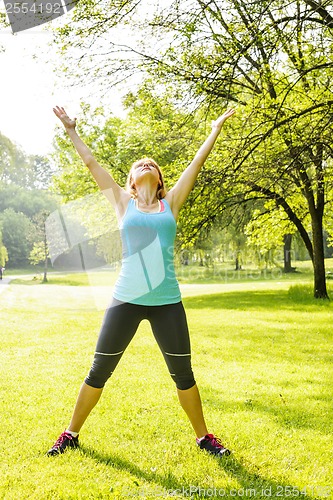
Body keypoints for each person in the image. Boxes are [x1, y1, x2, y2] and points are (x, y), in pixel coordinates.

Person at [48, 105, 235, 457]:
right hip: (126, 300)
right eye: (140, 165)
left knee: (183, 373)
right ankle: (70, 434)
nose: (146, 164)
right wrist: (71, 130)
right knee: (99, 370)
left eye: (152, 164)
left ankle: (204, 437)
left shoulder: (172, 204)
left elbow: (197, 163)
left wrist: (214, 129)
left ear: (160, 180)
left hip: (167, 302)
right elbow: (91, 164)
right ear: (132, 182)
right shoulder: (122, 202)